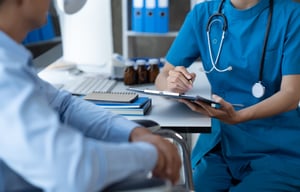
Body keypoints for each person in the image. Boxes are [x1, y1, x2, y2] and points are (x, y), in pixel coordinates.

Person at [0, 0, 181, 191]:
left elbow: (63, 105)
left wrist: (134, 133)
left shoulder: (12, 60)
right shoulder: (5, 72)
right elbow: (70, 169)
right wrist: (152, 154)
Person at [155, 0, 300, 191]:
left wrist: (239, 117)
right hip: (221, 144)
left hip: (276, 147)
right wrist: (173, 84)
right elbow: (163, 75)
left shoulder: (292, 14)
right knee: (198, 185)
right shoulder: (203, 14)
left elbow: (291, 94)